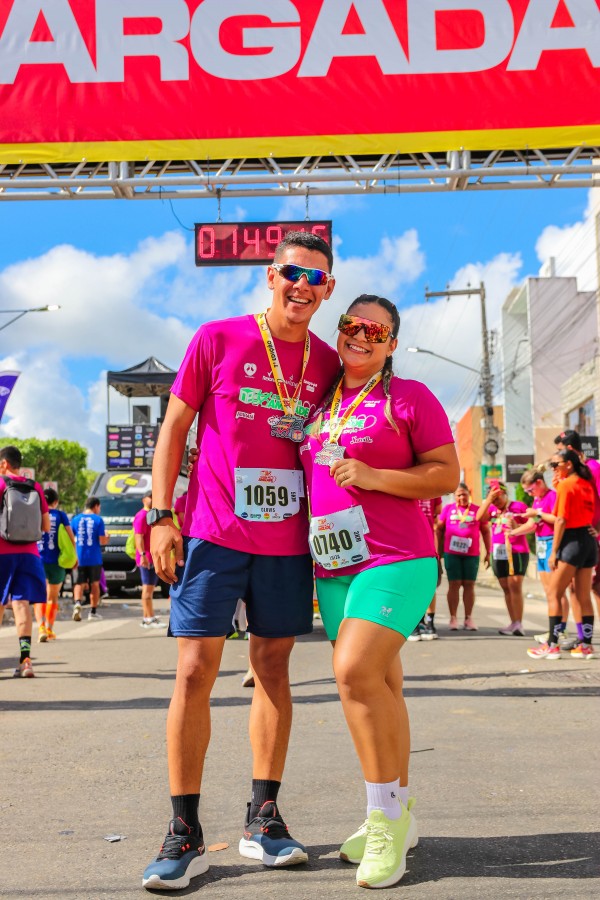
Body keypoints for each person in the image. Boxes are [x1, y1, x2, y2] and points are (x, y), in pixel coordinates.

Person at [142, 231, 339, 891]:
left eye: (315, 278)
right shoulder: (217, 338)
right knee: (194, 671)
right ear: (270, 275)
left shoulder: (328, 362)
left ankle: (263, 818)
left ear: (328, 290)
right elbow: (174, 427)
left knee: (273, 669)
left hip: (287, 541)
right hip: (213, 531)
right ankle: (183, 829)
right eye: (292, 273)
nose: (302, 286)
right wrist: (161, 515)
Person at [301, 295, 459, 889]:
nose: (361, 336)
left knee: (353, 673)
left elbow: (446, 474)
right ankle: (400, 809)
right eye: (352, 324)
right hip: (334, 562)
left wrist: (373, 476)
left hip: (397, 557)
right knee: (382, 685)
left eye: (376, 330)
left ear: (391, 343)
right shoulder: (319, 401)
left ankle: (383, 819)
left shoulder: (410, 398)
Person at [527, 450, 597, 659]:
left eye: (555, 465)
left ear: (568, 464)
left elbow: (560, 519)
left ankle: (552, 645)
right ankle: (586, 646)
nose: (553, 469)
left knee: (554, 593)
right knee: (583, 596)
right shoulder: (586, 483)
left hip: (571, 541)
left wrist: (554, 552)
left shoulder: (567, 485)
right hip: (588, 540)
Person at [0, 445, 50, 677]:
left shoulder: (1, 483)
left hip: (2, 553)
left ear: (4, 464)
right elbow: (46, 526)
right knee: (22, 605)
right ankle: (25, 661)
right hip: (30, 554)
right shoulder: (35, 487)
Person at [509, 469, 570, 646]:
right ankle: (554, 629)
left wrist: (537, 513)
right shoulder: (537, 500)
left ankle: (561, 629)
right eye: (526, 491)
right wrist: (513, 532)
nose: (529, 494)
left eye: (530, 490)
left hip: (552, 542)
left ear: (539, 483)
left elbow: (558, 519)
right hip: (541, 543)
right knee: (548, 590)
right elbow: (532, 524)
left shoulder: (552, 496)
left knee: (557, 590)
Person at [476, 481, 529, 636]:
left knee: (515, 585)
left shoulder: (518, 506)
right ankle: (513, 622)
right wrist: (488, 500)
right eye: (493, 499)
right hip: (498, 552)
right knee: (505, 587)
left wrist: (517, 527)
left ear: (505, 494)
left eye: (497, 498)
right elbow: (479, 517)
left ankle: (519, 623)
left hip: (516, 551)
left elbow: (531, 527)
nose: (496, 502)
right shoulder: (492, 509)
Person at [438, 483, 490, 631]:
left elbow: (486, 531)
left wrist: (488, 552)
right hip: (451, 553)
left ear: (469, 494)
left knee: (469, 585)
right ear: (454, 496)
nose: (461, 497)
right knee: (454, 584)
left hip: (471, 554)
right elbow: (439, 530)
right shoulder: (448, 509)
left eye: (464, 494)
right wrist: (437, 552)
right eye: (458, 495)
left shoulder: (477, 510)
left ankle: (468, 618)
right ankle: (453, 617)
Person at [36, 487, 77, 641]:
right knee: (52, 597)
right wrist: (74, 557)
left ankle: (41, 627)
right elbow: (71, 537)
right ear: (56, 502)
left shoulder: (37, 513)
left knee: (40, 596)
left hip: (38, 560)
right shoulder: (61, 515)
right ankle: (49, 629)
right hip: (57, 562)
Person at [407, 497, 442, 640]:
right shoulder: (405, 489)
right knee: (413, 586)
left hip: (427, 544)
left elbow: (437, 514)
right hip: (410, 545)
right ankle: (416, 623)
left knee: (428, 586)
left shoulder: (432, 491)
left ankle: (428, 624)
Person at [71, 497, 109, 621]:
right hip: (94, 558)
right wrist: (107, 537)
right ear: (96, 506)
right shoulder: (98, 520)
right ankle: (92, 612)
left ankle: (77, 603)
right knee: (95, 584)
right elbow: (102, 541)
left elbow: (70, 537)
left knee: (79, 583)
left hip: (79, 557)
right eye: (99, 507)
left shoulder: (75, 519)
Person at [134, 491, 167, 629]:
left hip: (151, 556)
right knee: (147, 590)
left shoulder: (151, 515)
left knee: (150, 590)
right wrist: (142, 555)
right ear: (143, 499)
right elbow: (138, 537)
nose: (152, 499)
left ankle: (148, 617)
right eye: (150, 497)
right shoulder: (142, 515)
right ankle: (148, 619)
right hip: (146, 557)